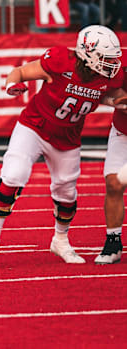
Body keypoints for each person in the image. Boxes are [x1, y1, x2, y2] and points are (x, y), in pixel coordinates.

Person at [0, 25, 125, 269]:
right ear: (89, 54)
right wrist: (12, 84)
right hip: (34, 126)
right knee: (13, 174)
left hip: (67, 137)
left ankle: (60, 240)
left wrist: (120, 102)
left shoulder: (107, 76)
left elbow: (112, 95)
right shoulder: (60, 60)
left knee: (66, 193)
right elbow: (20, 72)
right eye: (106, 59)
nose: (112, 65)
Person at [95, 54, 127, 265]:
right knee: (113, 183)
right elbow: (99, 92)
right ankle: (113, 242)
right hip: (122, 130)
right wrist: (117, 99)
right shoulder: (120, 67)